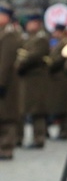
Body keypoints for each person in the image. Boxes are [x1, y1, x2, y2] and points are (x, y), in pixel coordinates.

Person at [15, 13, 50, 148]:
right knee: (22, 109)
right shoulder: (28, 37)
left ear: (38, 23)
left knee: (37, 110)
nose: (29, 25)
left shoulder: (41, 38)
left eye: (31, 23)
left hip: (36, 79)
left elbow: (33, 56)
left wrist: (19, 63)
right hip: (26, 78)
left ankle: (39, 138)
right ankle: (19, 137)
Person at [0, 5, 21, 160]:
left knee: (7, 116)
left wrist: (0, 83)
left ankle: (6, 148)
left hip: (5, 82)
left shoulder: (9, 35)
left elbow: (5, 63)